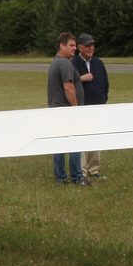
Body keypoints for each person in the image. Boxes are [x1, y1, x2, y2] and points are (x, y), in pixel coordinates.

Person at [47, 33, 88, 185]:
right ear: (61, 46)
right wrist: (76, 109)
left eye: (75, 46)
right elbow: (68, 87)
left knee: (59, 144)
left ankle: (61, 177)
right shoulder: (64, 63)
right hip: (65, 110)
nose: (75, 49)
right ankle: (77, 176)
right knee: (75, 142)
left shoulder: (56, 62)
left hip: (57, 109)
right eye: (71, 45)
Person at [72, 33, 109, 180]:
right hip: (81, 107)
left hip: (98, 107)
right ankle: (81, 171)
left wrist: (103, 99)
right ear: (80, 47)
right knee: (81, 138)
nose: (90, 48)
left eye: (92, 45)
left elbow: (105, 84)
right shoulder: (73, 64)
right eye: (87, 45)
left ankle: (93, 170)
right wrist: (81, 79)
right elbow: (68, 84)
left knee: (96, 138)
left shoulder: (99, 63)